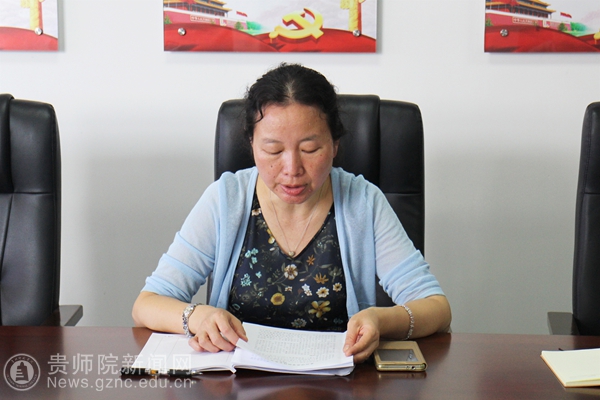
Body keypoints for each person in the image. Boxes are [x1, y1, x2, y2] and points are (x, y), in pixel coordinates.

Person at [132, 63, 451, 363]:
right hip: (238, 383)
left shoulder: (363, 202)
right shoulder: (226, 199)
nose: (292, 169)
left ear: (335, 144)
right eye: (273, 150)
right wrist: (196, 316)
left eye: (310, 149)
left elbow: (436, 309)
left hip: (339, 384)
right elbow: (147, 304)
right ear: (251, 144)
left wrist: (381, 319)